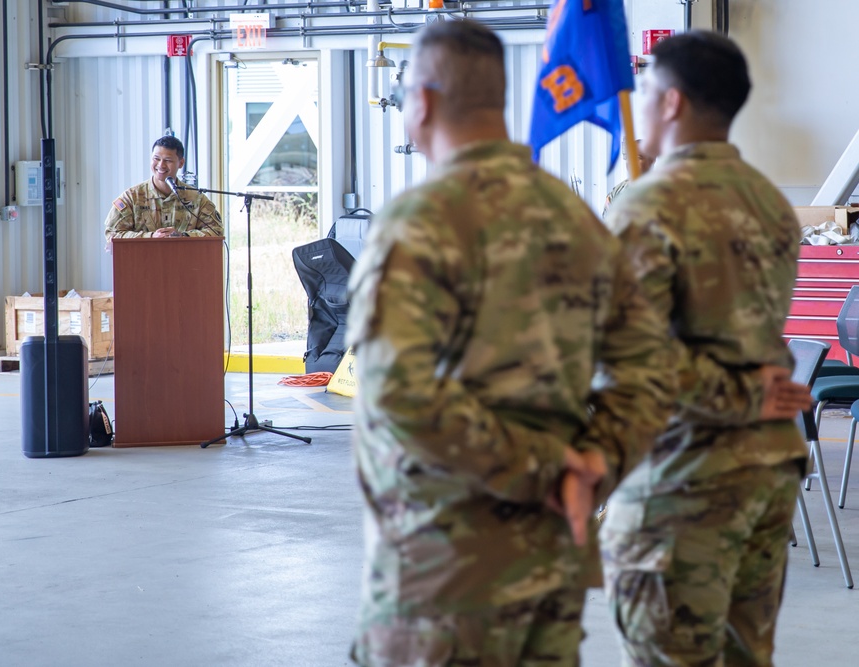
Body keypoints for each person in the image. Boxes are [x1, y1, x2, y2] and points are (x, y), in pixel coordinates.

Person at [347, 19, 675, 667]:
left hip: (444, 574)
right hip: (553, 561)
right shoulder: (576, 217)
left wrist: (545, 470)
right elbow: (651, 370)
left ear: (424, 100)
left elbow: (398, 394)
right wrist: (590, 467)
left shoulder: (419, 223)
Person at [600, 31, 816, 666]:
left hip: (685, 477)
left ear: (671, 103)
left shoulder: (650, 204)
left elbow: (624, 357)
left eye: (645, 91)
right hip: (768, 469)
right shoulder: (770, 201)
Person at [103, 136, 223, 245]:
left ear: (181, 163)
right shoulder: (132, 197)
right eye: (156, 159)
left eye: (168, 160)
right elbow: (112, 234)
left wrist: (183, 236)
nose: (161, 165)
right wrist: (150, 237)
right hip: (141, 264)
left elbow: (217, 231)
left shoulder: (196, 198)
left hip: (185, 264)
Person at [602, 141, 654, 218]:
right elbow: (606, 220)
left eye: (638, 157)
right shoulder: (617, 190)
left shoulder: (662, 189)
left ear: (652, 160)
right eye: (628, 157)